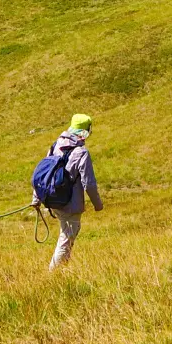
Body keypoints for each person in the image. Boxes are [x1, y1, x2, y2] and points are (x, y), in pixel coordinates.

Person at [41, 113, 102, 269]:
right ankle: (54, 274)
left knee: (67, 234)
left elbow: (44, 174)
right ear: (86, 131)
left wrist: (36, 199)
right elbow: (89, 184)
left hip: (53, 199)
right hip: (70, 203)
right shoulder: (81, 152)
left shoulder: (56, 145)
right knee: (67, 238)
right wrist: (98, 204)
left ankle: (61, 270)